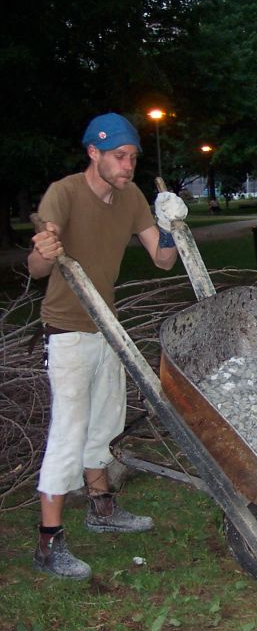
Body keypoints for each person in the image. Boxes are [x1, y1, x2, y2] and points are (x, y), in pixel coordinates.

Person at [28, 112, 186, 581]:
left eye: (133, 157)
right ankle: (48, 542)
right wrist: (44, 252)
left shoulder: (131, 196)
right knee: (69, 431)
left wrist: (171, 226)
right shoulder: (64, 193)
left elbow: (162, 260)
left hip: (106, 326)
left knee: (106, 422)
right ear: (94, 153)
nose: (128, 165)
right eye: (119, 156)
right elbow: (37, 267)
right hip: (68, 330)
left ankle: (101, 508)